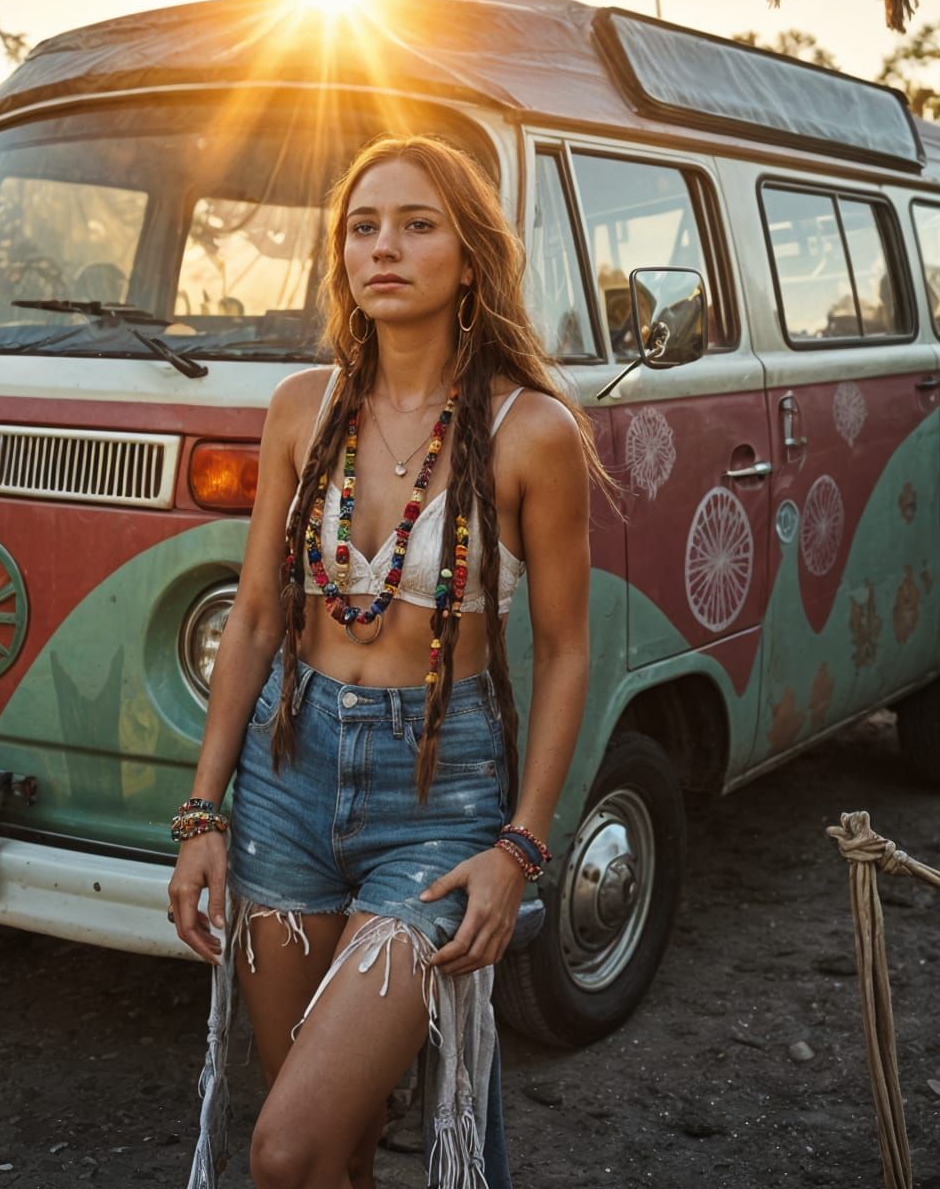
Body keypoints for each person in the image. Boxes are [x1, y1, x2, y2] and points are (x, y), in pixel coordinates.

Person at [169, 134, 604, 1188]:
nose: (385, 248)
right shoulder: (298, 411)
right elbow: (261, 616)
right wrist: (201, 815)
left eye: (417, 225)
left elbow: (566, 652)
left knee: (282, 1149)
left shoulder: (530, 431)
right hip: (285, 780)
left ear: (472, 256)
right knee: (334, 1149)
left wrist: (520, 850)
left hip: (439, 792)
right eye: (363, 227)